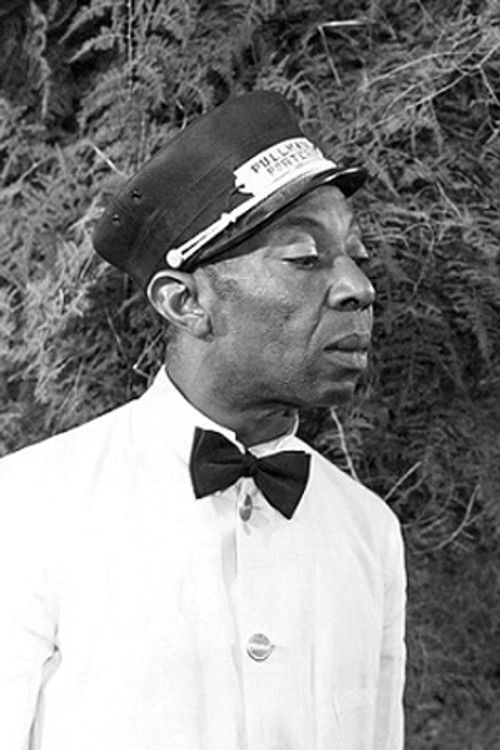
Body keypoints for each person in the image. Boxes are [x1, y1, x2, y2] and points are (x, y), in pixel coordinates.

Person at [0, 91, 406, 750]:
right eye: (305, 259)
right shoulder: (27, 508)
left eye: (356, 256)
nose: (358, 287)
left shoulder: (368, 531)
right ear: (185, 302)